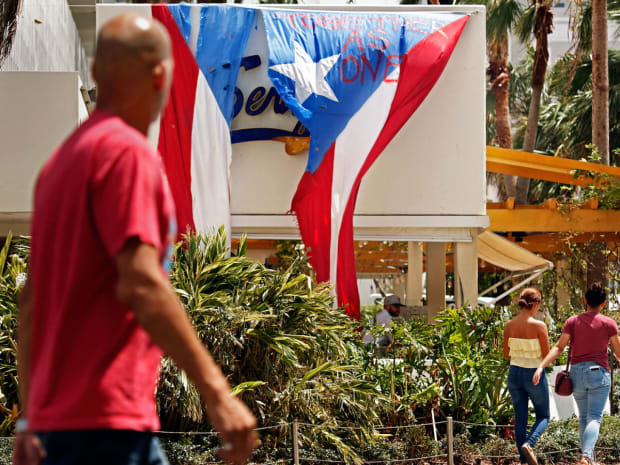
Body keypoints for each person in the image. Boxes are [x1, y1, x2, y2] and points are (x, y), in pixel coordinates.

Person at [13, 13, 257, 465]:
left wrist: (30, 419)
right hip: (109, 426)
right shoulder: (127, 154)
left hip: (54, 429)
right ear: (161, 75)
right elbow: (142, 282)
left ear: (96, 72)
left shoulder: (57, 167)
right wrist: (218, 393)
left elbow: (30, 304)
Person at [533, 282, 620, 465]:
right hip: (598, 374)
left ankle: (588, 458)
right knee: (595, 418)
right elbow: (618, 353)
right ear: (603, 303)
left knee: (584, 418)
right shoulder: (608, 323)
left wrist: (541, 366)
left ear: (585, 300)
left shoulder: (573, 321)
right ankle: (586, 456)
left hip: (577, 373)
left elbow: (559, 347)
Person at [503, 288, 550, 465]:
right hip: (533, 374)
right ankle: (529, 444)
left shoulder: (509, 325)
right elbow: (546, 354)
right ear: (535, 304)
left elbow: (506, 354)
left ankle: (524, 461)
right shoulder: (540, 326)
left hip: (514, 373)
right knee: (544, 416)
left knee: (520, 418)